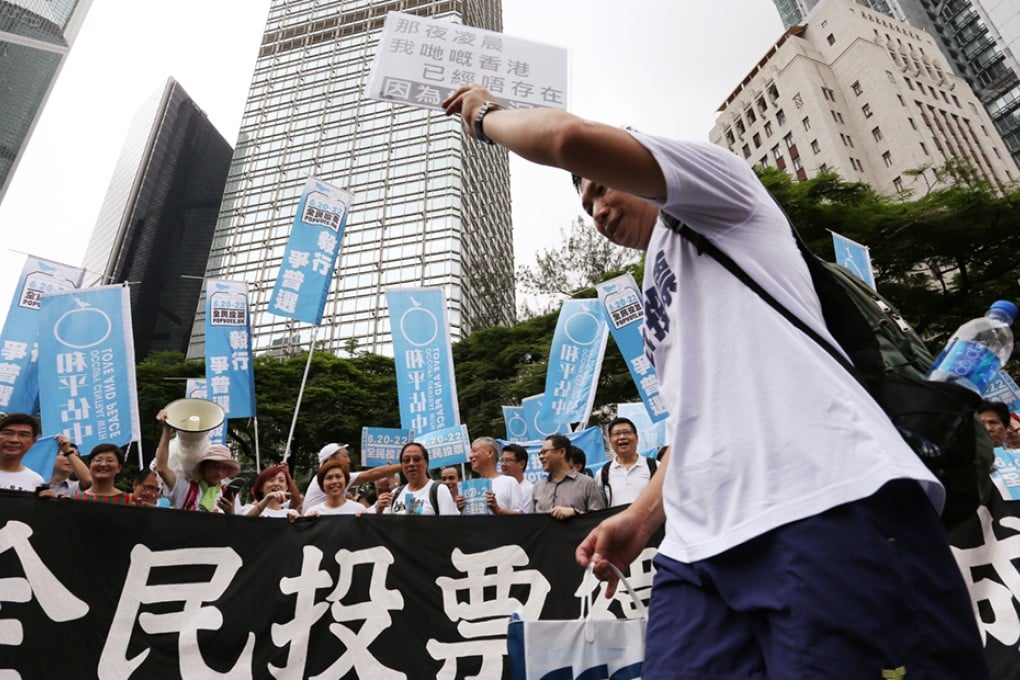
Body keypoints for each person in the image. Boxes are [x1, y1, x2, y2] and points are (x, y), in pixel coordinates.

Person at [442, 85, 988, 677]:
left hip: (825, 502)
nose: (595, 210)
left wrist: (486, 116)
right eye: (585, 204)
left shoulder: (717, 192)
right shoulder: (654, 291)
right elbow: (696, 421)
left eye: (600, 186)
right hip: (697, 554)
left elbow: (567, 138)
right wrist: (642, 517)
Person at [155, 410, 241, 513]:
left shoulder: (229, 497)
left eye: (224, 468)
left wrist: (231, 514)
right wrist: (166, 429)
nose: (219, 473)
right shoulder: (185, 488)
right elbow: (161, 468)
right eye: (215, 467)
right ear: (203, 467)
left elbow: (238, 523)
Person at [301, 442, 401, 510]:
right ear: (331, 459)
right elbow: (371, 474)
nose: (349, 461)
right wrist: (405, 465)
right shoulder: (313, 511)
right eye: (345, 456)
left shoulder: (357, 509)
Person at [532, 434, 606, 519]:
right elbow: (531, 521)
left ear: (562, 452)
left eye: (545, 452)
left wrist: (575, 513)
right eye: (540, 453)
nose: (541, 457)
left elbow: (599, 519)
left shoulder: (587, 484)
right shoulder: (538, 487)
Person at [375, 442, 459, 515]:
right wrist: (379, 510)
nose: (411, 464)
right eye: (406, 460)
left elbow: (449, 525)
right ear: (402, 465)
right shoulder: (395, 494)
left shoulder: (439, 490)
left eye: (416, 459)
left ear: (426, 463)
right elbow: (385, 525)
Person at [598, 417, 657, 507]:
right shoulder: (602, 473)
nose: (622, 437)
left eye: (627, 432)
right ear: (610, 441)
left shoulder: (656, 467)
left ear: (636, 438)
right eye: (617, 434)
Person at [470, 436, 521, 515]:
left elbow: (520, 517)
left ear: (490, 453)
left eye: (474, 451)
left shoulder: (509, 482)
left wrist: (498, 510)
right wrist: (463, 509)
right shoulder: (471, 486)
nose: (470, 456)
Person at [69, 444, 134, 505]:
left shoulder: (129, 500)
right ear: (89, 466)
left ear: (119, 468)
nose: (103, 464)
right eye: (98, 460)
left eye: (109, 460)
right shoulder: (74, 500)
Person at [0, 413, 45, 491]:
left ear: (33, 442)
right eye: (8, 433)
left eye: (23, 435)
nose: (14, 440)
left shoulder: (36, 481)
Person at [501, 444, 533, 513]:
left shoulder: (530, 490)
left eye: (508, 460)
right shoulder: (498, 486)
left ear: (521, 464)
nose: (503, 464)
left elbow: (525, 517)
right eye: (502, 460)